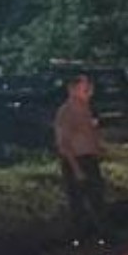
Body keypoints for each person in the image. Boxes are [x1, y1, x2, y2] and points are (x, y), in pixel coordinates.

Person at [53, 73, 114, 246]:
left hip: (89, 159)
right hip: (75, 160)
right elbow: (63, 143)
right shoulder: (66, 112)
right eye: (84, 85)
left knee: (96, 199)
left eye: (89, 85)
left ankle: (102, 235)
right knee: (79, 202)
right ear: (72, 89)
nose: (89, 88)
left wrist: (99, 148)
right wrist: (76, 168)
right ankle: (79, 238)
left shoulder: (86, 109)